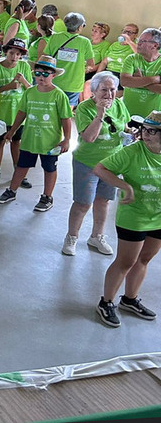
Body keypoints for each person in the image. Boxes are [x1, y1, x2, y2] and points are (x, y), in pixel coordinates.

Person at [92, 110, 161, 328]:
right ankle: (106, 302)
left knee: (145, 259)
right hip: (134, 215)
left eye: (152, 131)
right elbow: (100, 168)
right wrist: (125, 186)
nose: (146, 134)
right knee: (126, 261)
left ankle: (130, 299)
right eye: (144, 129)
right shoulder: (133, 151)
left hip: (158, 215)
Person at [0, 55, 73, 212]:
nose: (41, 77)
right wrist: (12, 130)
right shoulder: (29, 92)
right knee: (22, 166)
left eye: (45, 74)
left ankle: (47, 197)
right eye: (38, 73)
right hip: (30, 139)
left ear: (53, 75)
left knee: (49, 168)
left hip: (50, 142)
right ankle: (12, 191)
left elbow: (66, 118)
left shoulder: (59, 95)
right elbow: (21, 112)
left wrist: (67, 139)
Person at [64, 72, 131, 257]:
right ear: (93, 91)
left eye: (112, 89)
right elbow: (89, 137)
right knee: (83, 203)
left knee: (103, 201)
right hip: (88, 163)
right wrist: (100, 114)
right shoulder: (84, 108)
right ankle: (72, 237)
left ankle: (97, 236)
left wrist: (130, 131)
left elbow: (123, 125)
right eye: (104, 90)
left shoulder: (119, 104)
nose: (109, 94)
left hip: (113, 164)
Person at [0, 37, 34, 189]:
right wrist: (7, 87)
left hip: (18, 114)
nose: (14, 57)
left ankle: (18, 172)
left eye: (18, 54)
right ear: (5, 52)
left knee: (17, 141)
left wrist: (24, 82)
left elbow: (30, 89)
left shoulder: (24, 67)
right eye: (11, 53)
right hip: (1, 113)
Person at [38, 12, 95, 107]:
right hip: (73, 84)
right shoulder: (85, 42)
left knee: (51, 108)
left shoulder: (55, 37)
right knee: (66, 113)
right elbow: (91, 64)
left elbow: (45, 58)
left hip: (53, 81)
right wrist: (83, 68)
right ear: (80, 27)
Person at [120, 28, 161, 119]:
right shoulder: (131, 59)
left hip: (153, 119)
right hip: (127, 115)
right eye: (139, 40)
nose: (138, 43)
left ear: (155, 45)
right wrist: (153, 79)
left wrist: (138, 81)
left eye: (143, 41)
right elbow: (125, 82)